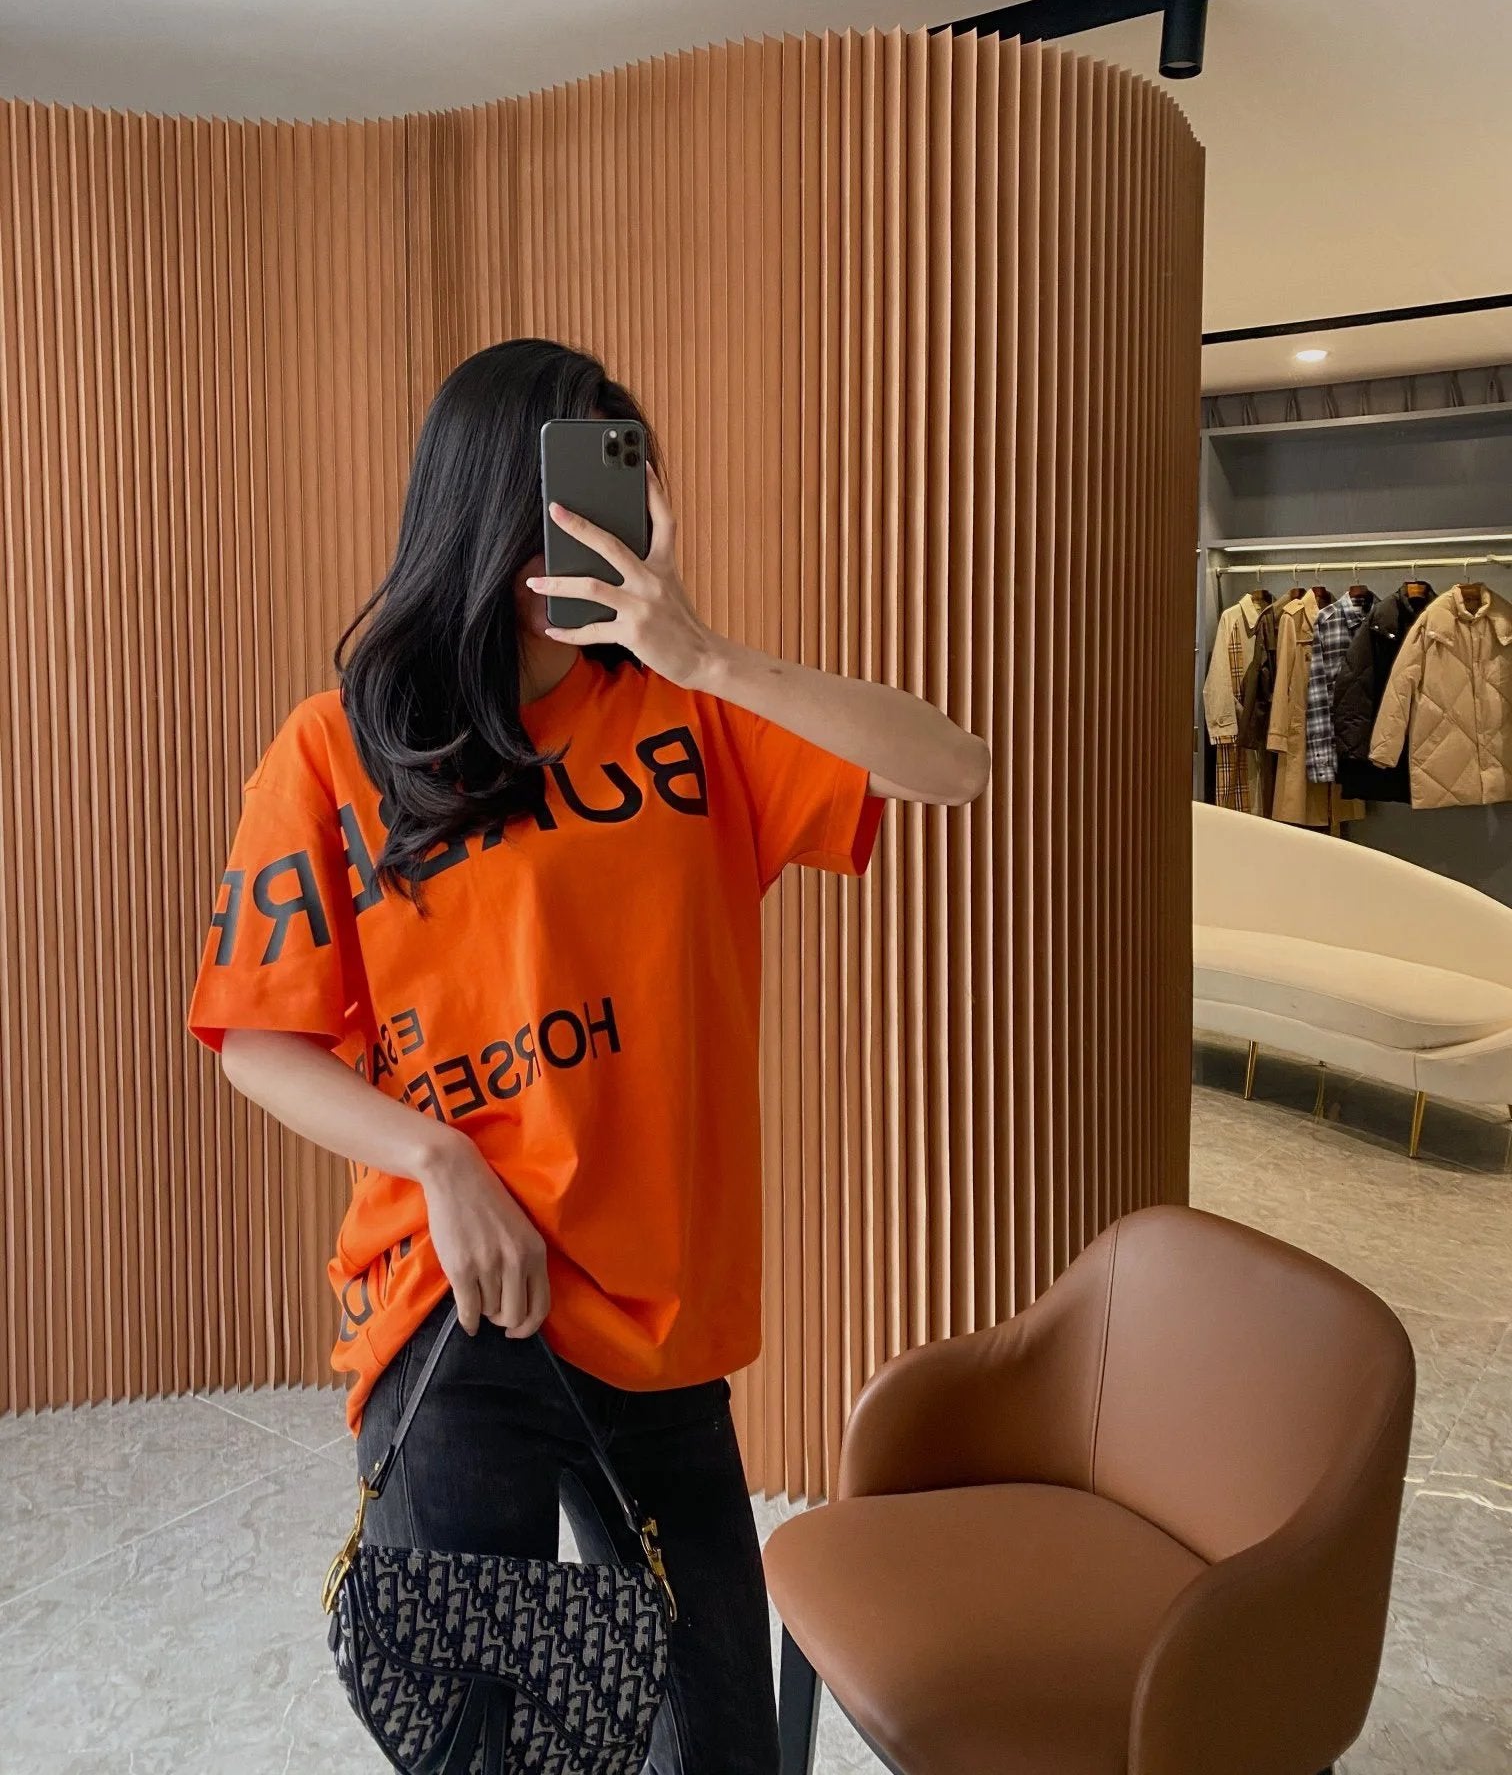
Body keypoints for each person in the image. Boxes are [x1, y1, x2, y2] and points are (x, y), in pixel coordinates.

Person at [186, 337, 989, 1772]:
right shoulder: (343, 747)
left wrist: (708, 654)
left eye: (626, 479)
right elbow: (257, 1036)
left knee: (719, 1742)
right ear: (489, 506)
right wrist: (438, 1159)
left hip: (659, 1317)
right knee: (497, 1745)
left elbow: (954, 767)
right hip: (461, 1299)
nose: (605, 519)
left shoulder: (697, 717)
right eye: (571, 485)